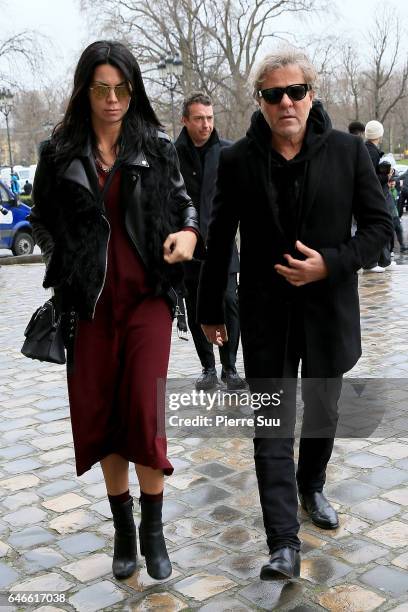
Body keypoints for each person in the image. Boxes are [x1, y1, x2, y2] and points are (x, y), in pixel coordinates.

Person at [197, 48, 392, 580]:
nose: (286, 102)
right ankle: (283, 542)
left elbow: (381, 232)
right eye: (273, 94)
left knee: (324, 413)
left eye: (295, 91)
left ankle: (312, 485)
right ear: (260, 101)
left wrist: (328, 264)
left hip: (328, 312)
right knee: (271, 428)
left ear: (312, 93)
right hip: (266, 317)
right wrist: (209, 308)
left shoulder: (350, 153)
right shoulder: (236, 161)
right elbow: (217, 240)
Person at [30, 40, 201, 582]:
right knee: (104, 417)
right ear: (85, 91)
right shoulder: (59, 152)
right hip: (89, 307)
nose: (111, 99)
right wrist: (64, 259)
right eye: (101, 89)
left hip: (148, 298)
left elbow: (183, 204)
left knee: (145, 414)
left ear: (133, 89)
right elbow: (41, 220)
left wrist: (189, 234)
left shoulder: (154, 144)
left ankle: (154, 531)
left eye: (121, 88)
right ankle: (123, 531)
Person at [175, 92, 245, 391]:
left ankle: (229, 366)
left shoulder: (228, 152)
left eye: (210, 118)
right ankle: (208, 367)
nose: (206, 124)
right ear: (185, 120)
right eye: (199, 118)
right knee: (195, 309)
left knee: (229, 303)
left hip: (223, 245)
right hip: (188, 248)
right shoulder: (171, 155)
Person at [363, 120, 391, 272]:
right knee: (375, 226)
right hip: (372, 197)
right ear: (378, 135)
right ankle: (371, 262)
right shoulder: (372, 152)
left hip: (369, 196)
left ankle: (383, 260)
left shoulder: (366, 149)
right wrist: (387, 177)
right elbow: (372, 179)